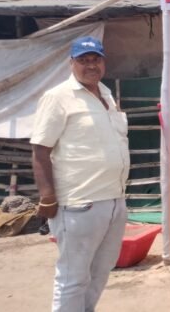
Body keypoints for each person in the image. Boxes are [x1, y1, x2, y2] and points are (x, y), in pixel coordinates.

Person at [30, 36, 130, 312]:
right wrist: (47, 197)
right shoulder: (58, 97)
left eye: (95, 59)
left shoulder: (107, 94)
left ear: (103, 62)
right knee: (72, 278)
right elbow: (40, 150)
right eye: (83, 60)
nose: (90, 65)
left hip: (114, 199)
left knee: (100, 272)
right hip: (79, 203)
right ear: (71, 63)